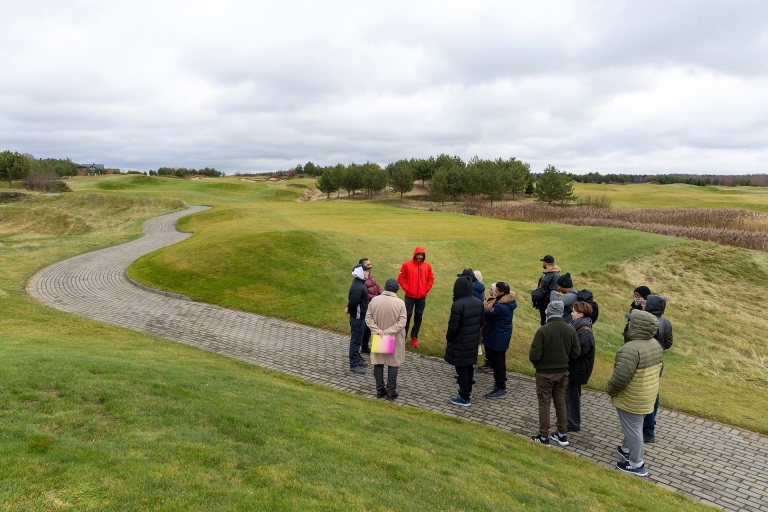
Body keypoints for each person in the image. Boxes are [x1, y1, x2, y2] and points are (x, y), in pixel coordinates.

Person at [606, 309, 664, 477]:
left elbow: (621, 377)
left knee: (633, 428)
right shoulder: (655, 344)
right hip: (647, 395)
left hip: (633, 397)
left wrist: (610, 389)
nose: (628, 323)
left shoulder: (630, 349)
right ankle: (626, 449)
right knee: (635, 425)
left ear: (638, 326)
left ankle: (637, 464)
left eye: (631, 321)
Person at [529, 300, 580, 446]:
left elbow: (534, 355)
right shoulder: (570, 329)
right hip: (563, 373)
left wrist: (539, 365)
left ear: (549, 312)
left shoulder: (543, 330)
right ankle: (562, 434)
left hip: (544, 374)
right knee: (560, 402)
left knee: (544, 403)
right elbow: (576, 352)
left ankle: (543, 436)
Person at [365, 278, 408, 400]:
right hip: (394, 338)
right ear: (396, 289)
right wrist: (388, 332)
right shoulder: (400, 303)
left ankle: (380, 389)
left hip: (379, 337)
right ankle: (391, 391)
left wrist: (379, 331)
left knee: (378, 362)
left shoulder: (374, 300)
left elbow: (368, 318)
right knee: (393, 363)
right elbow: (402, 322)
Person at [444, 276, 483, 407]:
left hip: (460, 343)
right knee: (468, 368)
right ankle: (467, 392)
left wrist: (449, 338)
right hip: (472, 341)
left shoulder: (458, 305)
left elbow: (453, 327)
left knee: (462, 370)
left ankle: (464, 397)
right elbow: (482, 322)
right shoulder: (478, 302)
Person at [640, 294, 673, 443]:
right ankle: (649, 426)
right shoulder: (666, 323)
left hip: (645, 362)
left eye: (646, 302)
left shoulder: (646, 321)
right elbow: (669, 343)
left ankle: (647, 430)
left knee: (644, 394)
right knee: (654, 393)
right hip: (659, 362)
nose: (643, 304)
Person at [481, 282, 517, 399]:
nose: (494, 292)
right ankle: (500, 382)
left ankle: (500, 387)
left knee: (498, 363)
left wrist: (484, 307)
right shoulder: (504, 303)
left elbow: (486, 314)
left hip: (498, 338)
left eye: (496, 290)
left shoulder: (500, 307)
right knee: (499, 362)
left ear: (502, 292)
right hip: (500, 336)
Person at [565, 301, 595, 432]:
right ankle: (570, 420)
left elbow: (578, 351)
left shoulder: (584, 331)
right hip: (576, 368)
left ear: (581, 314)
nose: (572, 313)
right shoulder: (579, 326)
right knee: (571, 396)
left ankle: (572, 423)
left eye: (574, 312)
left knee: (572, 398)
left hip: (577, 369)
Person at [398, 246, 434, 348]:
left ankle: (414, 337)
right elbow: (401, 278)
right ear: (415, 255)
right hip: (409, 296)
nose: (419, 256)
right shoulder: (407, 265)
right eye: (418, 254)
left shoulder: (427, 266)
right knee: (407, 317)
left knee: (418, 317)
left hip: (421, 297)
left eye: (421, 255)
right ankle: (403, 337)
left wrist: (425, 290)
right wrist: (408, 289)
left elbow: (431, 279)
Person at [345, 264, 370, 374]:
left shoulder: (360, 284)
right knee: (355, 342)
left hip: (360, 317)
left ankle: (357, 360)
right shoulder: (358, 287)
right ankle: (354, 365)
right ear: (360, 272)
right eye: (366, 271)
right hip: (358, 318)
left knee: (358, 340)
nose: (368, 273)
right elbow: (354, 302)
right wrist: (349, 310)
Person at [359, 257, 382, 355]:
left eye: (370, 264)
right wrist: (376, 297)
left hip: (374, 304)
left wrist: (382, 294)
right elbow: (364, 293)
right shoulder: (360, 279)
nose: (370, 266)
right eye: (367, 265)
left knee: (370, 327)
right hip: (367, 306)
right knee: (365, 327)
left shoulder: (371, 276)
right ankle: (361, 346)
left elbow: (377, 287)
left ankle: (365, 346)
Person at [535, 255, 561, 326]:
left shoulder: (555, 275)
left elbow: (553, 292)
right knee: (543, 323)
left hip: (547, 306)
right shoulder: (548, 274)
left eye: (543, 262)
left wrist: (543, 300)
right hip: (543, 305)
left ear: (545, 263)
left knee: (546, 324)